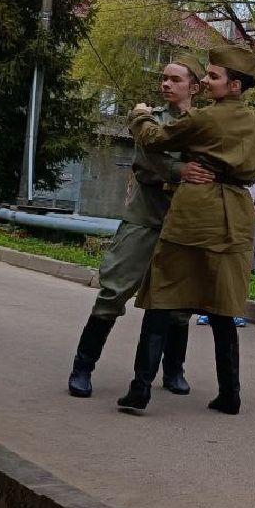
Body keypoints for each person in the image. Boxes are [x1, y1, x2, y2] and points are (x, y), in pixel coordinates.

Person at [119, 44, 255, 415]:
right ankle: (230, 394)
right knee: (223, 307)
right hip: (236, 218)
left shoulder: (203, 119)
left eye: (214, 77)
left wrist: (139, 117)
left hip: (193, 213)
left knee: (162, 298)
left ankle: (140, 390)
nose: (208, 81)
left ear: (235, 85)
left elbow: (156, 140)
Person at [66, 56, 211, 398]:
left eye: (175, 79)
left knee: (177, 305)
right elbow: (147, 162)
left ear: (194, 87)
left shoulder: (204, 126)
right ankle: (82, 368)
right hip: (144, 220)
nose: (166, 84)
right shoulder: (150, 120)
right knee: (113, 292)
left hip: (183, 225)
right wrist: (180, 171)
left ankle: (174, 370)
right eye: (164, 78)